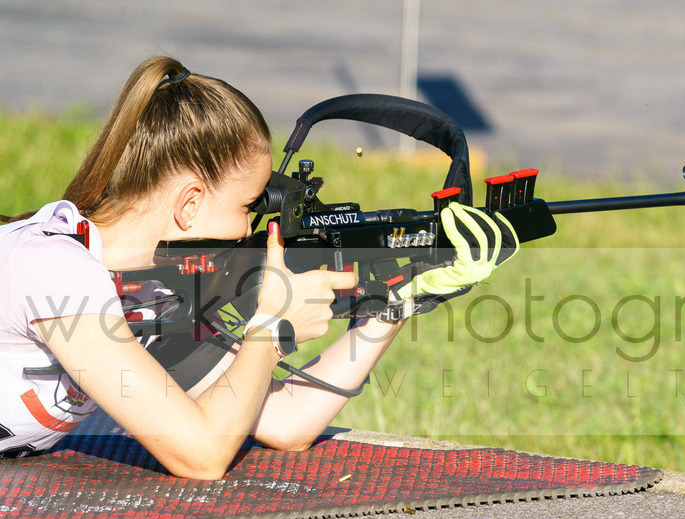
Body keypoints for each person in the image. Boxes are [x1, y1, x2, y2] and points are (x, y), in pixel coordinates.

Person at [0, 56, 517, 479]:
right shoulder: (56, 269)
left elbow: (286, 420)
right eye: (249, 206)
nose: (252, 227)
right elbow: (202, 455)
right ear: (189, 204)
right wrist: (270, 327)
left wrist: (397, 301)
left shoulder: (145, 293)